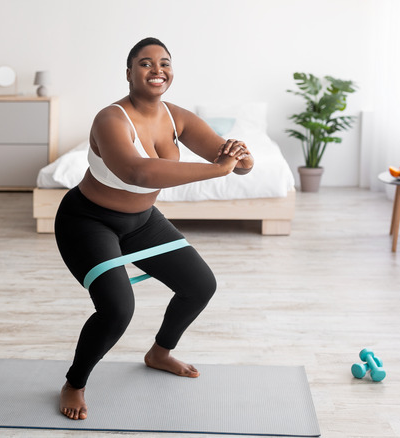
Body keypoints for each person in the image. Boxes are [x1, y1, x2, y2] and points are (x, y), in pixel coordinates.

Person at [55, 37, 254, 420]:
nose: (157, 69)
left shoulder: (176, 116)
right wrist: (218, 169)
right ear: (129, 72)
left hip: (143, 221)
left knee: (200, 286)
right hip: (88, 221)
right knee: (117, 309)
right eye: (145, 63)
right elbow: (137, 171)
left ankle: (159, 353)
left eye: (164, 62)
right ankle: (74, 383)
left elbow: (227, 156)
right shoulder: (110, 119)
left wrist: (240, 158)